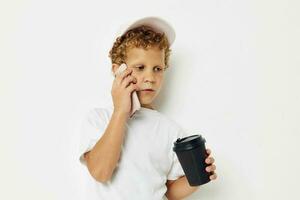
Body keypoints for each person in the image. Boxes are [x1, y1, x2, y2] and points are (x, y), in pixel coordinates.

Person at [78, 16, 217, 200]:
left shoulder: (170, 131)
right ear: (118, 70)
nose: (150, 77)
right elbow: (100, 172)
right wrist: (121, 111)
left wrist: (198, 177)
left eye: (157, 69)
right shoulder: (99, 119)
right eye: (140, 67)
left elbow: (169, 192)